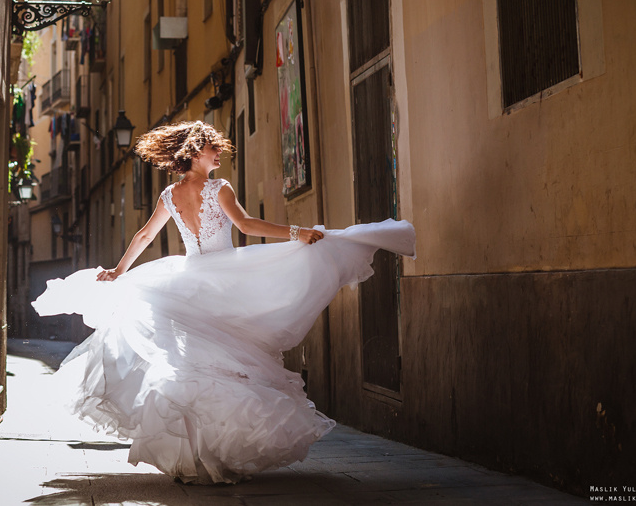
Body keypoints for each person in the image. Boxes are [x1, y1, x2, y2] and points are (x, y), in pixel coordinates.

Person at [33, 121, 415, 484]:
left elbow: (146, 235)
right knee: (221, 369)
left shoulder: (170, 194)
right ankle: (211, 456)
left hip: (186, 281)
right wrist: (297, 232)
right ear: (197, 151)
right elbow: (247, 225)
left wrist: (119, 270)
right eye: (215, 148)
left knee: (192, 370)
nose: (220, 154)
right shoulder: (220, 188)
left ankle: (195, 460)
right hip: (223, 281)